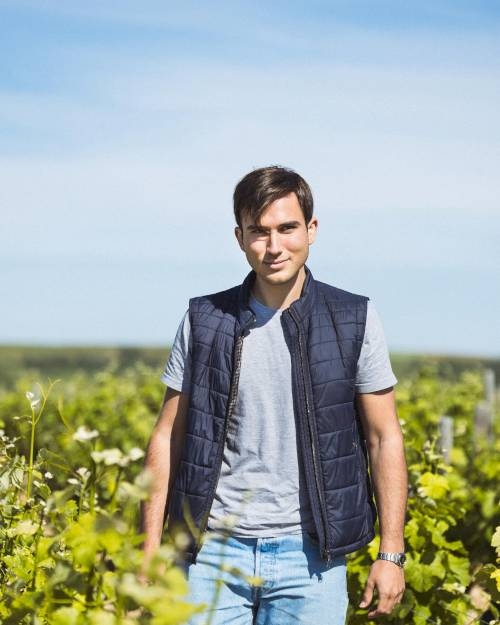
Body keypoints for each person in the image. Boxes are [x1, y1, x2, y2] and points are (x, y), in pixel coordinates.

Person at [141, 165, 407, 624]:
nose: (274, 246)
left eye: (287, 228)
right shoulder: (203, 320)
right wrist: (147, 549)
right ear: (240, 237)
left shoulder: (354, 318)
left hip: (311, 559)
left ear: (311, 230)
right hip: (209, 555)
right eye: (259, 232)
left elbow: (385, 438)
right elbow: (168, 437)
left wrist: (391, 553)